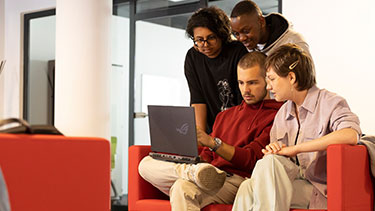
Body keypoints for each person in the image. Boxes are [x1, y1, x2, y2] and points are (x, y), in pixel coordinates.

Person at [139, 51, 283, 211]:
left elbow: (251, 160)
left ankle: (193, 173)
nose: (245, 90)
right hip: (208, 173)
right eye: (241, 83)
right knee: (146, 164)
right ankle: (191, 171)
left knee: (181, 187)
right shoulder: (225, 115)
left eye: (252, 83)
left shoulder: (277, 116)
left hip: (237, 180)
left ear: (267, 81)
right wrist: (194, 159)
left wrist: (213, 143)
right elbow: (208, 155)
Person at [232, 44, 361, 210]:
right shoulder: (283, 113)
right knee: (248, 185)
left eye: (271, 79)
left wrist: (296, 149)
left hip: (319, 190)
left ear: (291, 77)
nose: (268, 87)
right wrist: (277, 150)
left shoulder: (330, 102)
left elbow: (350, 135)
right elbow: (276, 167)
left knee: (262, 176)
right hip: (290, 185)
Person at [184, 6, 248, 133]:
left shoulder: (238, 51)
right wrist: (201, 137)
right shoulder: (193, 57)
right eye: (199, 40)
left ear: (222, 35)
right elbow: (197, 99)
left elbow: (244, 100)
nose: (205, 45)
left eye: (211, 38)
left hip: (238, 126)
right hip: (210, 128)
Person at [230, 0, 311, 57]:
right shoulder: (246, 47)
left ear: (261, 22)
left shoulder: (293, 42)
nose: (241, 38)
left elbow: (307, 80)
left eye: (246, 31)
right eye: (236, 34)